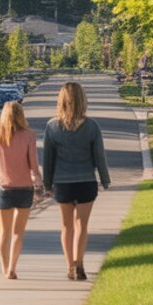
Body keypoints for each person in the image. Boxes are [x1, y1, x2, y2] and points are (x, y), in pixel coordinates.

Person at [44, 82, 111, 281]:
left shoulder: (52, 126)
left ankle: (70, 266)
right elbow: (99, 156)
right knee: (82, 225)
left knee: (67, 227)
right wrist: (104, 179)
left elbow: (49, 158)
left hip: (62, 183)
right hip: (86, 181)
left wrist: (47, 183)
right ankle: (80, 262)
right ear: (83, 100)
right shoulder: (92, 127)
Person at [0, 101, 43, 279]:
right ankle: (12, 267)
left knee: (4, 231)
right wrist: (39, 185)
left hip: (3, 189)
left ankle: (4, 267)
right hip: (24, 189)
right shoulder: (29, 135)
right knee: (18, 232)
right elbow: (34, 165)